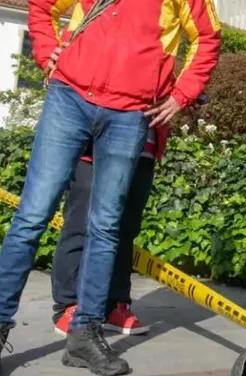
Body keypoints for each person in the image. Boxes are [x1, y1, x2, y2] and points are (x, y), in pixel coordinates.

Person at [0, 0, 221, 376]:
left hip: (130, 113)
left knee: (106, 226)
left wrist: (182, 95)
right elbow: (43, 6)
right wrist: (50, 58)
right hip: (70, 100)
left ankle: (85, 334)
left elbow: (206, 39)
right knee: (30, 218)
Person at [51, 127, 165, 337]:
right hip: (96, 141)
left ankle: (115, 304)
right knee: (80, 223)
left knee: (126, 230)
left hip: (143, 146)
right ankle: (69, 304)